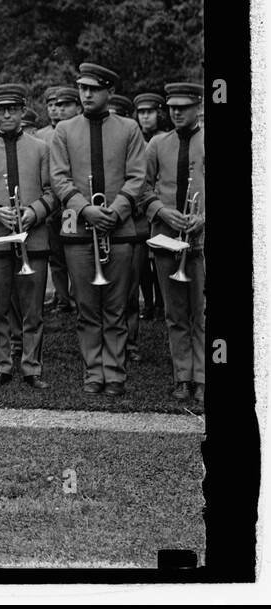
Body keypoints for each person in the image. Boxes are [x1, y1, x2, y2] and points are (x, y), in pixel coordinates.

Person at [49, 63, 147, 397]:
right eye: (82, 88)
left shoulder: (129, 128)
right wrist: (85, 209)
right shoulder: (64, 129)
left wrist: (116, 210)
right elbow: (59, 178)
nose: (87, 94)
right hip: (78, 230)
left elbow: (138, 177)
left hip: (119, 231)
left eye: (94, 89)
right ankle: (94, 372)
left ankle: (115, 373)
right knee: (87, 307)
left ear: (108, 92)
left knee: (116, 306)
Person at [0, 84, 56, 389]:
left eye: (12, 109)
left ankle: (31, 367)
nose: (6, 115)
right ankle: (2, 365)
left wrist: (34, 212)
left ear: (22, 111)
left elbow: (52, 193)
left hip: (33, 239)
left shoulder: (41, 148)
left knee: (33, 308)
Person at [142, 82, 206, 404]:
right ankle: (183, 377)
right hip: (167, 239)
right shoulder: (156, 144)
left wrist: (203, 218)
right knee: (175, 313)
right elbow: (142, 190)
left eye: (183, 106)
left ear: (198, 107)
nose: (176, 112)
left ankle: (203, 376)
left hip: (202, 241)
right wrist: (163, 212)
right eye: (172, 107)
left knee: (202, 312)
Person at [38, 85, 82, 317]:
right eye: (52, 106)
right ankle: (61, 296)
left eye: (63, 105)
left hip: (71, 207)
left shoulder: (79, 131)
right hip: (51, 206)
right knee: (55, 253)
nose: (56, 110)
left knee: (72, 250)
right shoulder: (41, 135)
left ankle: (75, 297)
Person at [132, 91, 167, 326]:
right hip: (138, 208)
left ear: (159, 113)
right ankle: (150, 304)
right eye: (141, 112)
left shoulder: (164, 139)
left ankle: (163, 304)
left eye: (150, 112)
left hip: (158, 205)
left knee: (160, 259)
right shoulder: (134, 139)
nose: (145, 117)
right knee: (143, 260)